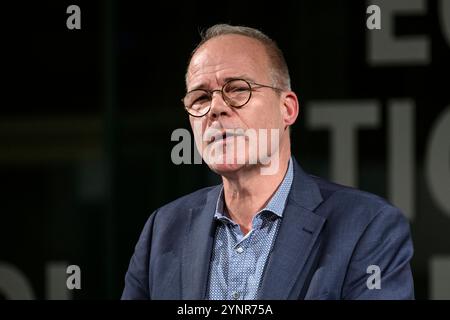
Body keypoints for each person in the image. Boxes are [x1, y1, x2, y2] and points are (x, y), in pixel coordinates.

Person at [121, 24, 414, 300]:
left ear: (287, 109)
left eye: (237, 89)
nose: (216, 108)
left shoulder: (367, 226)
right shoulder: (162, 230)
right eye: (200, 98)